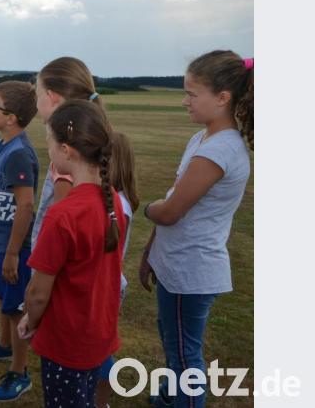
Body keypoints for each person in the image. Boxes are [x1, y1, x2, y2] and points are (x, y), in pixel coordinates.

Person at [139, 50, 253, 408]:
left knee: (185, 356)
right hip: (176, 264)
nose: (184, 100)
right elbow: (175, 199)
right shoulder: (201, 140)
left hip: (191, 270)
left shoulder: (220, 149)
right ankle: (169, 398)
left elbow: (170, 210)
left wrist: (146, 207)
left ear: (223, 98)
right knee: (174, 343)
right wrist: (149, 253)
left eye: (191, 93)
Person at [18, 100, 126, 408]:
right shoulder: (112, 201)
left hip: (67, 342)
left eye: (50, 143)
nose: (48, 150)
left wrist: (30, 319)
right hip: (98, 336)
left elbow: (39, 293)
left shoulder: (62, 214)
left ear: (67, 150)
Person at [0, 81, 39, 402]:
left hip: (15, 247)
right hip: (0, 242)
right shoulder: (2, 144)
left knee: (16, 309)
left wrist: (14, 252)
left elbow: (26, 205)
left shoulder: (18, 153)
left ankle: (19, 371)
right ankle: (3, 345)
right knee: (4, 298)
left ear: (11, 117)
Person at [31, 56, 108, 249]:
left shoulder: (65, 152)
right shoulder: (91, 135)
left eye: (37, 96)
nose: (36, 104)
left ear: (52, 97)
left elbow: (60, 223)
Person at [95, 131, 140, 408]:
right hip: (109, 284)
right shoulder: (118, 201)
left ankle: (100, 402)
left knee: (101, 348)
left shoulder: (117, 205)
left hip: (107, 286)